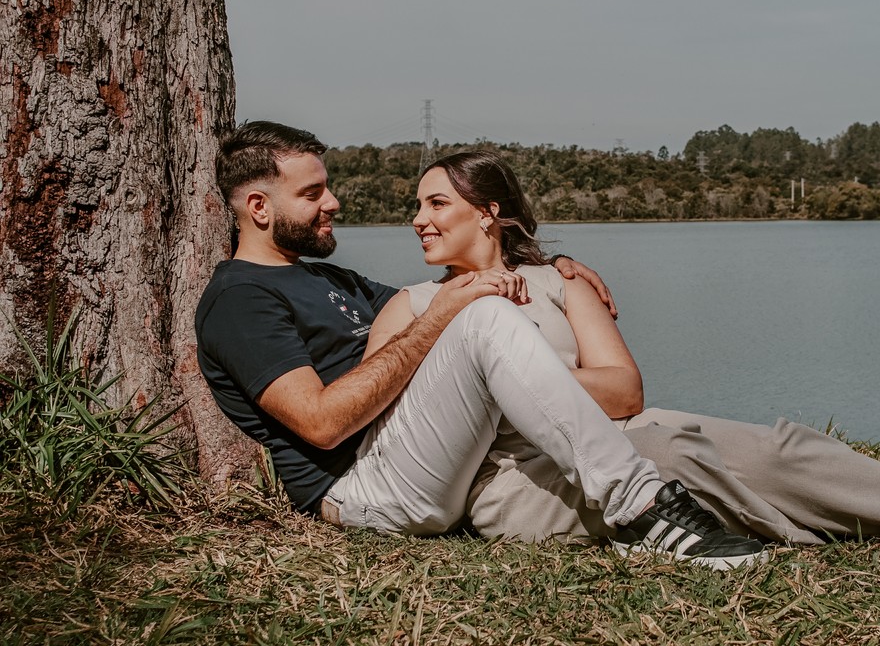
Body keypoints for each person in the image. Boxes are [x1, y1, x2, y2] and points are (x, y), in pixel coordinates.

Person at [365, 149, 880, 547]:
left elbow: (624, 391)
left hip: (621, 435)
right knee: (674, 458)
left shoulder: (561, 281)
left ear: (489, 212)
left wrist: (529, 377)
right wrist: (491, 371)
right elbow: (388, 423)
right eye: (417, 206)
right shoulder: (411, 306)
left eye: (436, 202)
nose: (417, 219)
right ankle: (814, 536)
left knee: (776, 448)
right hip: (517, 484)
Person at [195, 121, 766, 570]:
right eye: (313, 193)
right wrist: (450, 311)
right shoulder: (240, 300)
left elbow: (443, 294)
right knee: (481, 315)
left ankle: (664, 496)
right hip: (363, 488)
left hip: (420, 460)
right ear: (259, 207)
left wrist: (552, 269)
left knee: (481, 312)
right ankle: (642, 508)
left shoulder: (331, 280)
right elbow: (321, 424)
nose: (334, 202)